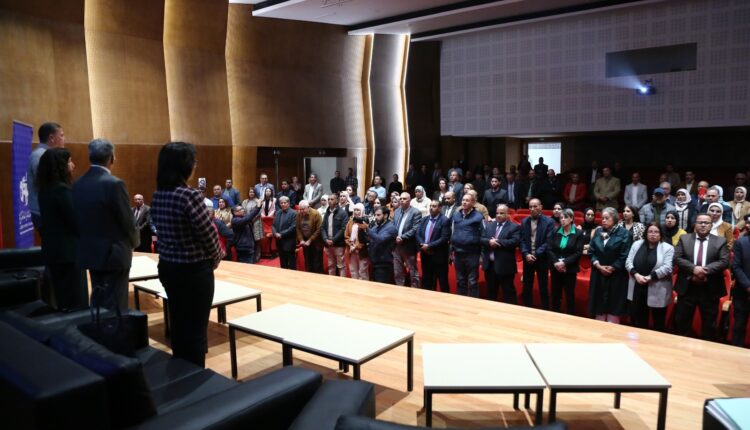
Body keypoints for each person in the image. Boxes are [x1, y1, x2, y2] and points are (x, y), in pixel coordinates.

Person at [151, 142, 223, 367]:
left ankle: (180, 369)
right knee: (196, 330)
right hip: (193, 272)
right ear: (183, 166)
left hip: (168, 267)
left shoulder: (158, 194)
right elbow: (208, 234)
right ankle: (194, 374)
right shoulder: (189, 195)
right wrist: (216, 258)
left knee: (179, 323)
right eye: (193, 161)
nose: (195, 165)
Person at [73, 138, 138, 311]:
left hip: (91, 252)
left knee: (98, 301)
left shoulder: (78, 184)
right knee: (116, 305)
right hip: (114, 254)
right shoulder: (114, 184)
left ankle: (97, 329)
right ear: (112, 158)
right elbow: (127, 221)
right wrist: (135, 242)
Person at [37, 148, 87, 310]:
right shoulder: (62, 190)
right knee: (76, 302)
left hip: (53, 252)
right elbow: (75, 221)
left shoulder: (44, 190)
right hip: (69, 253)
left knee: (62, 299)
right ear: (61, 166)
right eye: (69, 161)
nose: (73, 165)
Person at [674, 213, 730, 340]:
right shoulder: (684, 239)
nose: (703, 225)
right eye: (700, 222)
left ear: (711, 225)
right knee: (682, 323)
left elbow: (724, 261)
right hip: (688, 288)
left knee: (709, 326)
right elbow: (677, 258)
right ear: (695, 224)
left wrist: (705, 270)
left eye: (706, 223)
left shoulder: (720, 241)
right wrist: (694, 269)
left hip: (710, 289)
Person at [625, 223, 674, 331]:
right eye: (650, 231)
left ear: (660, 234)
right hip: (638, 285)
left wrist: (650, 277)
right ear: (646, 233)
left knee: (658, 322)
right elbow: (628, 262)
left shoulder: (668, 248)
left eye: (656, 232)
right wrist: (636, 275)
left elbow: (667, 267)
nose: (653, 234)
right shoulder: (636, 244)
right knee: (639, 320)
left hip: (657, 287)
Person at [588, 207, 632, 323]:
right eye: (602, 218)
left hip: (617, 275)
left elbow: (625, 254)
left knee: (614, 308)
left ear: (615, 219)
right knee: (599, 309)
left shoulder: (625, 234)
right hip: (598, 274)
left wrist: (613, 267)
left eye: (607, 218)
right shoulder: (598, 231)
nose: (603, 220)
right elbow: (591, 251)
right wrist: (598, 265)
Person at [28, 122, 65, 230]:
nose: (64, 139)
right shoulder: (40, 155)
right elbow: (45, 182)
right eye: (61, 135)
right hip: (44, 212)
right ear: (51, 138)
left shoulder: (49, 154)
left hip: (48, 210)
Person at [546, 208, 583, 314]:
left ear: (571, 219)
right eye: (561, 217)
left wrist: (564, 263)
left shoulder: (578, 233)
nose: (562, 219)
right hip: (555, 268)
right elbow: (549, 249)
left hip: (569, 269)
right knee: (555, 294)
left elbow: (578, 252)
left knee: (569, 295)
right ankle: (554, 315)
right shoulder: (555, 231)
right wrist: (556, 263)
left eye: (565, 217)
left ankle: (570, 317)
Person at [520, 198, 555, 309]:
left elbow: (548, 242)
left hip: (542, 259)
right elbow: (522, 240)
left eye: (535, 206)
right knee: (527, 287)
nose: (532, 209)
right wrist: (526, 254)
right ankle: (527, 309)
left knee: (543, 287)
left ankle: (545, 310)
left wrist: (535, 255)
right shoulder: (524, 221)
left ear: (541, 207)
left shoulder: (549, 222)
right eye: (530, 206)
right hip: (528, 258)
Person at [482, 204, 521, 303]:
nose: (498, 215)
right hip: (490, 266)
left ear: (507, 214)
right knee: (491, 293)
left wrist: (498, 242)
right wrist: (489, 242)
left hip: (505, 266)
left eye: (501, 213)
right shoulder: (490, 225)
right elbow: (481, 238)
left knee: (508, 293)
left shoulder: (514, 227)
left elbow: (515, 241)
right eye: (497, 213)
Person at [451, 193, 484, 297]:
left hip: (472, 253)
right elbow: (453, 233)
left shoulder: (478, 216)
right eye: (463, 200)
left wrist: (482, 255)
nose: (464, 202)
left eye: (467, 200)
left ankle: (473, 303)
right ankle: (461, 302)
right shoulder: (456, 215)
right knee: (460, 280)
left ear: (473, 203)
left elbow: (483, 235)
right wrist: (451, 251)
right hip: (458, 253)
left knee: (472, 281)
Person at [416, 199, 451, 292]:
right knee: (426, 280)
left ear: (439, 208)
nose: (431, 208)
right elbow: (418, 233)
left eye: (434, 206)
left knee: (442, 281)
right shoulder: (424, 219)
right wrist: (423, 245)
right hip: (425, 254)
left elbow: (444, 238)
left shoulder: (445, 220)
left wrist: (429, 246)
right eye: (430, 206)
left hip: (438, 255)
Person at [393, 192, 422, 288]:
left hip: (408, 246)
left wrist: (402, 237)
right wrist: (394, 237)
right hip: (397, 246)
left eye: (404, 199)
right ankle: (399, 290)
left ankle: (415, 291)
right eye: (401, 199)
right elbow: (393, 226)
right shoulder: (397, 211)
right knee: (398, 271)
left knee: (413, 272)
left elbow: (415, 228)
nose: (402, 200)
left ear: (409, 200)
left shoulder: (415, 212)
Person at [731, 214, 750, 346]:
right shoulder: (740, 242)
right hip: (742, 292)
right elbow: (736, 266)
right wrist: (748, 286)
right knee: (739, 326)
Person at [368, 207, 397, 284]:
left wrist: (367, 229)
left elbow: (380, 239)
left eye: (378, 215)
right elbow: (367, 238)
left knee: (381, 288)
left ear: (385, 215)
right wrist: (362, 229)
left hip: (384, 265)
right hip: (374, 262)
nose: (376, 217)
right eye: (375, 215)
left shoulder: (391, 227)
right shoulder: (376, 227)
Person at [321, 194, 348, 276]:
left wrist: (333, 240)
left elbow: (343, 229)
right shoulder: (327, 212)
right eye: (329, 199)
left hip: (338, 244)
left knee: (341, 266)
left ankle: (342, 282)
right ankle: (331, 281)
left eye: (332, 199)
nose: (329, 201)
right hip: (328, 243)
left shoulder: (343, 213)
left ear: (337, 201)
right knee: (330, 265)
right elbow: (322, 227)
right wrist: (325, 239)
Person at [296, 200, 323, 273]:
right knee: (308, 262)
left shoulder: (316, 214)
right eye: (300, 209)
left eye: (303, 209)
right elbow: (298, 228)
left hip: (316, 242)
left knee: (317, 263)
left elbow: (319, 229)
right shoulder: (299, 214)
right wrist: (301, 239)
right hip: (305, 242)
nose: (301, 211)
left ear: (308, 207)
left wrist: (310, 240)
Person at [344, 203, 369, 280]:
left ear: (362, 211)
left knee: (362, 272)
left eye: (358, 210)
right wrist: (351, 245)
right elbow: (346, 236)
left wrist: (356, 246)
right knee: (353, 270)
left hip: (362, 250)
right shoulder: (350, 221)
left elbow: (366, 238)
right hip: (351, 250)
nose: (356, 212)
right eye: (355, 210)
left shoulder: (365, 222)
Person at [272, 196, 297, 270]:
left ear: (288, 203)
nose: (283, 204)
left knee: (291, 264)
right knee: (283, 263)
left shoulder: (293, 213)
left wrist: (281, 234)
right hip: (279, 241)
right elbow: (273, 225)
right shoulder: (277, 212)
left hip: (289, 241)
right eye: (281, 203)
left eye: (284, 203)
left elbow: (293, 227)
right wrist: (275, 233)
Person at [241, 188, 264, 261]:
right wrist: (246, 219)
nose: (251, 193)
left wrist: (251, 220)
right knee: (249, 239)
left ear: (255, 193)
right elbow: (243, 211)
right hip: (247, 222)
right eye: (250, 192)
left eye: (253, 192)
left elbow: (259, 213)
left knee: (256, 240)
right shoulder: (245, 201)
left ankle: (257, 256)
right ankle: (250, 256)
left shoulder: (258, 201)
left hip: (256, 222)